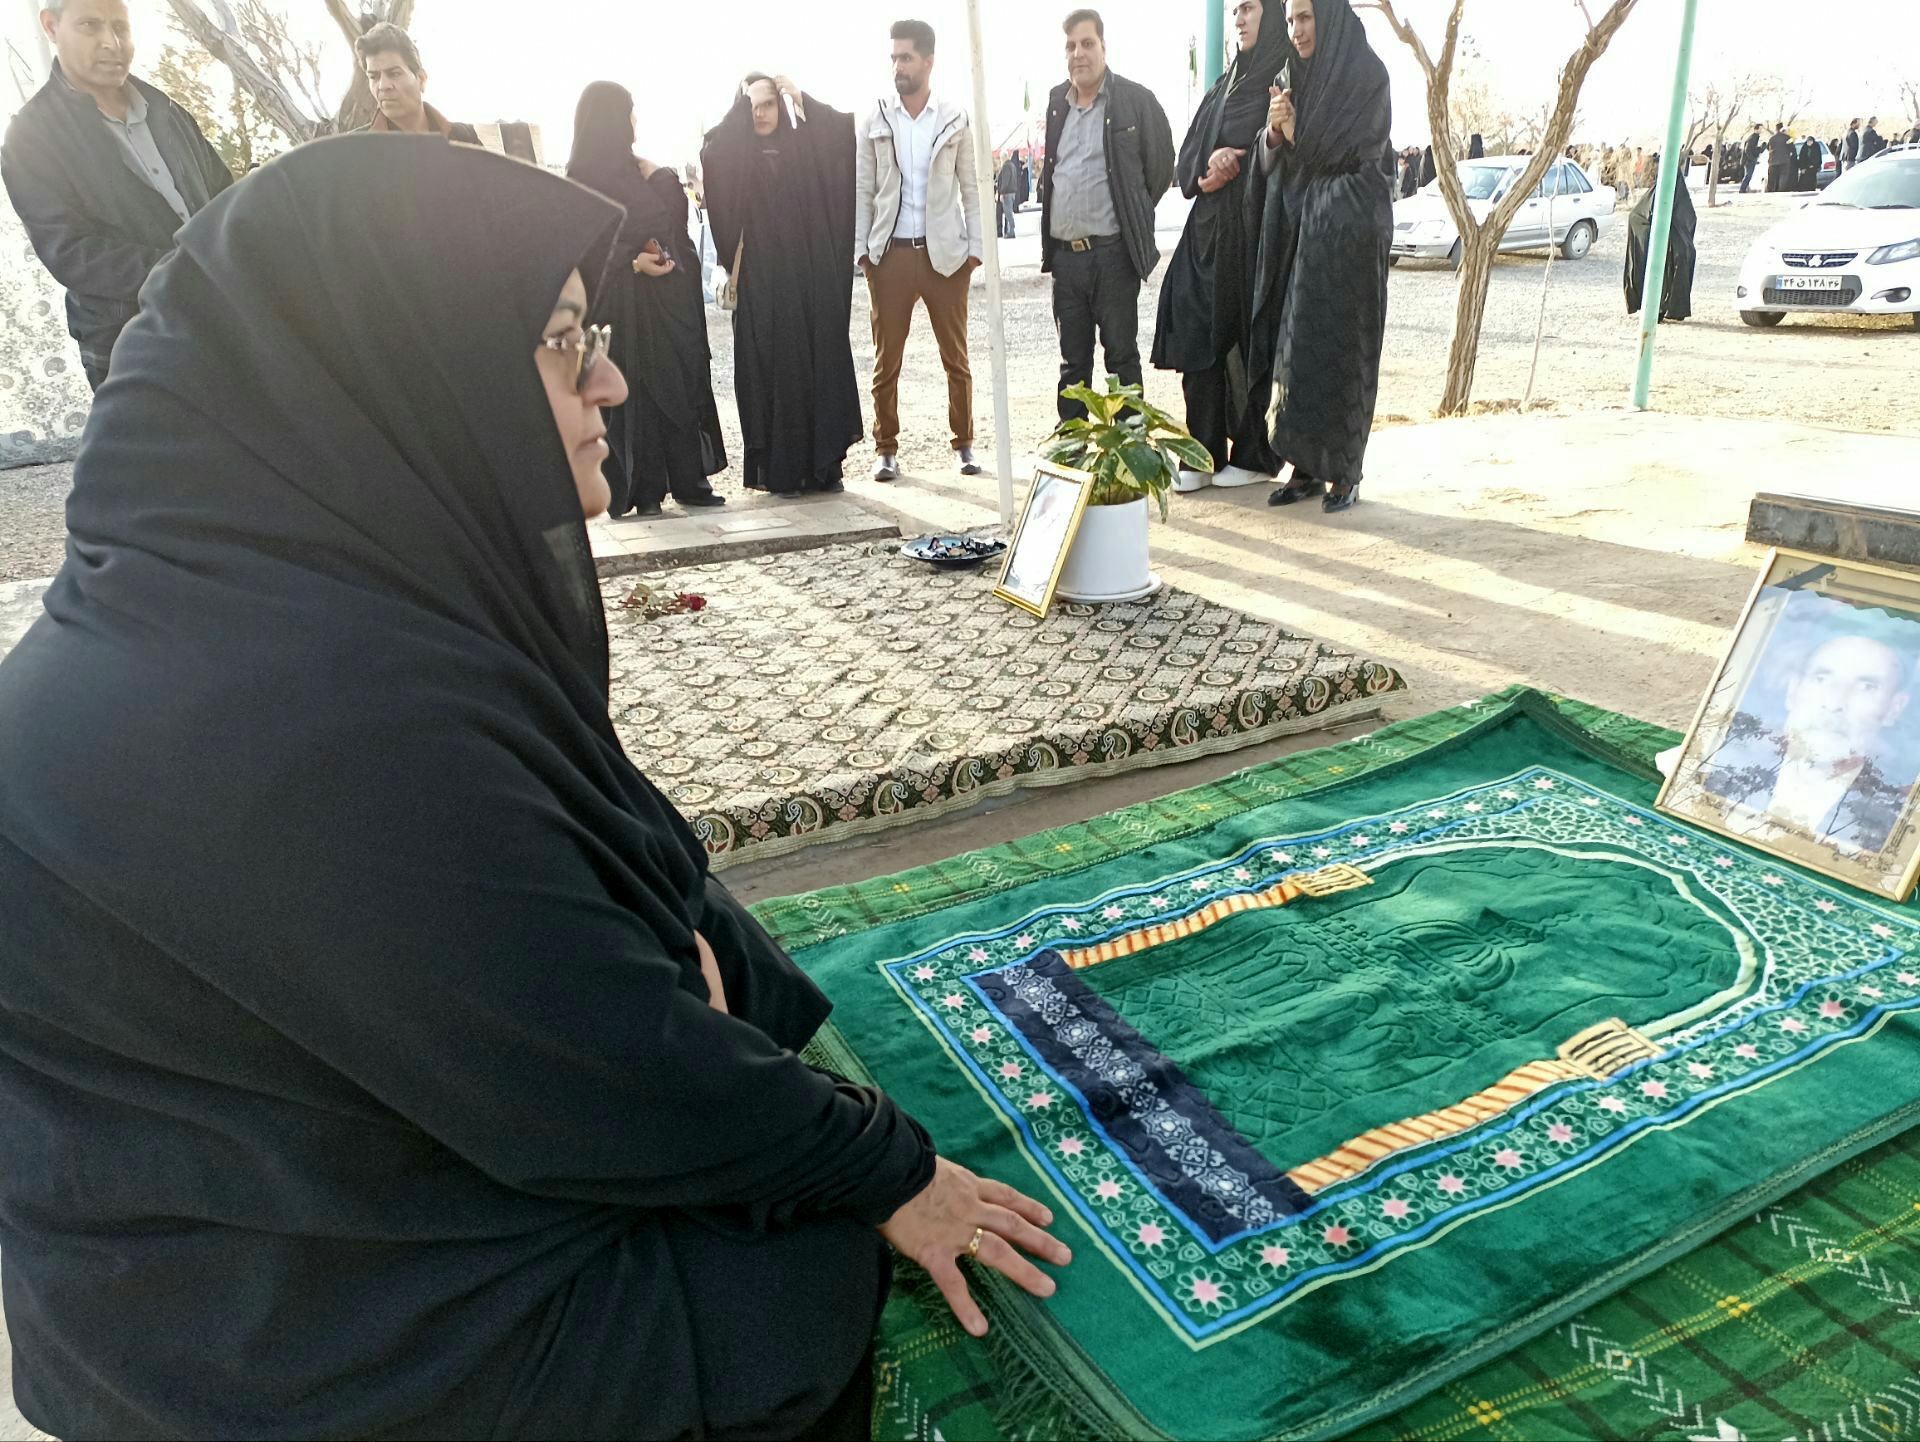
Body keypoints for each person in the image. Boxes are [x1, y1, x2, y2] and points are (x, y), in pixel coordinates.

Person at [0, 134, 1072, 1442]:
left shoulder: (231, 603)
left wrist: (654, 990)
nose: (613, 380)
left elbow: (554, 922)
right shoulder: (324, 722)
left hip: (168, 1263)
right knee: (779, 1283)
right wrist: (883, 1166)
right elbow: (603, 1066)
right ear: (415, 369)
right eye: (566, 343)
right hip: (279, 1338)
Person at [1, 0, 232, 392]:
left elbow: (225, 199)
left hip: (215, 319)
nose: (112, 42)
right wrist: (187, 270)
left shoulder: (168, 110)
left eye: (120, 27)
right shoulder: (30, 137)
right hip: (130, 341)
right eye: (90, 26)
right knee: (159, 453)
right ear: (51, 27)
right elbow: (71, 253)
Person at [1254, 0, 1393, 515]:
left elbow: (1356, 152)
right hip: (1310, 232)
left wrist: (1297, 135)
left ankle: (1345, 470)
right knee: (1300, 351)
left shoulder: (1366, 73)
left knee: (1344, 350)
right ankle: (1306, 465)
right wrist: (1275, 131)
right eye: (1289, 20)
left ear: (1329, 15)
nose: (1296, 30)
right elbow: (1284, 156)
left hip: (1354, 231)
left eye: (1305, 17)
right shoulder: (1292, 75)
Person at [566, 82, 726, 519]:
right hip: (621, 310)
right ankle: (645, 488)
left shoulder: (637, 172)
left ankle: (688, 481)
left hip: (662, 307)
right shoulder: (581, 182)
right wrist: (630, 264)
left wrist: (658, 174)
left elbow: (670, 218)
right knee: (634, 398)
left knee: (676, 386)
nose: (634, 123)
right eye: (628, 113)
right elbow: (584, 250)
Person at [702, 74, 863, 496]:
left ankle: (823, 466)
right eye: (751, 106)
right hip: (761, 286)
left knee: (816, 364)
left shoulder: (804, 148)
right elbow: (713, 152)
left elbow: (840, 137)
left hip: (808, 280)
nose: (761, 113)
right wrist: (740, 104)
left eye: (769, 103)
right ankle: (783, 470)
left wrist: (800, 96)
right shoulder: (736, 158)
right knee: (770, 370)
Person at [1151, 0, 1287, 493]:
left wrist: (1245, 154)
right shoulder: (1227, 81)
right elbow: (1188, 153)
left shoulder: (1282, 76)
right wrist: (1208, 165)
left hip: (1252, 228)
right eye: (1235, 11)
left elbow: (1288, 142)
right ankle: (1202, 450)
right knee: (1193, 327)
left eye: (1250, 8)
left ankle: (1254, 453)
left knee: (1247, 338)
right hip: (1207, 227)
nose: (1241, 19)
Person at [855, 20, 985, 482]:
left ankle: (965, 445)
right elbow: (863, 188)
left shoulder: (953, 116)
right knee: (886, 360)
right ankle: (885, 448)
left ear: (928, 61)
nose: (898, 66)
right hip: (889, 256)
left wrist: (975, 251)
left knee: (957, 358)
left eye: (906, 57)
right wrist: (863, 256)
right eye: (893, 58)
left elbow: (972, 186)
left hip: (945, 256)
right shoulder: (876, 116)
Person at [1041, 8, 1176, 424]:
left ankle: (1130, 451)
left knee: (1121, 358)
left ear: (1103, 46)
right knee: (1073, 367)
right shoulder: (1055, 104)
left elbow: (1160, 168)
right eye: (1070, 46)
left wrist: (1132, 215)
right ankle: (1074, 456)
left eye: (1087, 43)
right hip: (1067, 261)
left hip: (1113, 257)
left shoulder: (1134, 101)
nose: (1078, 54)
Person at [1699, 631, 1916, 856]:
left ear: (1894, 708)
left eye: (1866, 687)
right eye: (1821, 679)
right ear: (1793, 691)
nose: (1834, 703)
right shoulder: (1721, 759)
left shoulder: (1898, 820)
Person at [354, 22, 479, 142]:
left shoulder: (464, 137)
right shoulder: (352, 148)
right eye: (374, 77)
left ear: (421, 79)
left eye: (394, 74)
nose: (383, 86)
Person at [1622, 155, 1695, 323]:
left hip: (1671, 249)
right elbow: (1638, 216)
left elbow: (1687, 220)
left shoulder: (1674, 194)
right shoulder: (1674, 194)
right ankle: (1659, 309)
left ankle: (1662, 309)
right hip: (1668, 248)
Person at [995, 150, 1021, 238]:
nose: (1000, 160)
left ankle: (1011, 231)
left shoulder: (1006, 166)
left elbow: (1005, 181)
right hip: (1012, 192)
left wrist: (1001, 193)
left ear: (1003, 157)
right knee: (1008, 212)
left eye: (1001, 158)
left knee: (1008, 213)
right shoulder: (1012, 165)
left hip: (1007, 193)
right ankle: (1009, 230)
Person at [1766, 122, 1791, 192]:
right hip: (1784, 160)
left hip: (1773, 161)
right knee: (1783, 175)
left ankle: (1771, 190)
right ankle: (1781, 190)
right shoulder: (1787, 137)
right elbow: (1792, 147)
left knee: (1772, 177)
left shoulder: (1771, 138)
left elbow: (1768, 147)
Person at [1740, 122, 1763, 193]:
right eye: (1760, 129)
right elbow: (1748, 150)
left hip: (1749, 160)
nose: (1761, 131)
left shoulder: (1755, 138)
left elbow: (1753, 149)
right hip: (1748, 160)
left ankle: (1745, 188)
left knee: (1748, 175)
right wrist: (1753, 159)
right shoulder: (1753, 138)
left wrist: (1760, 149)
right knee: (1748, 175)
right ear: (1756, 129)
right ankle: (1742, 189)